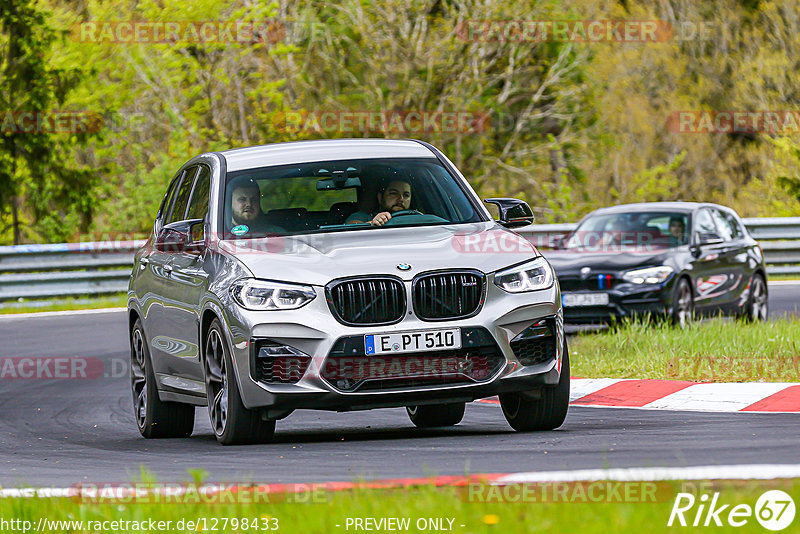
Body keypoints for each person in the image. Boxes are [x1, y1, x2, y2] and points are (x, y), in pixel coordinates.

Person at [346, 178, 413, 226]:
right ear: (380, 197)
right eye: (394, 193)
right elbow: (351, 228)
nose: (401, 199)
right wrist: (373, 223)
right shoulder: (363, 216)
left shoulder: (418, 219)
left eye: (406, 195)